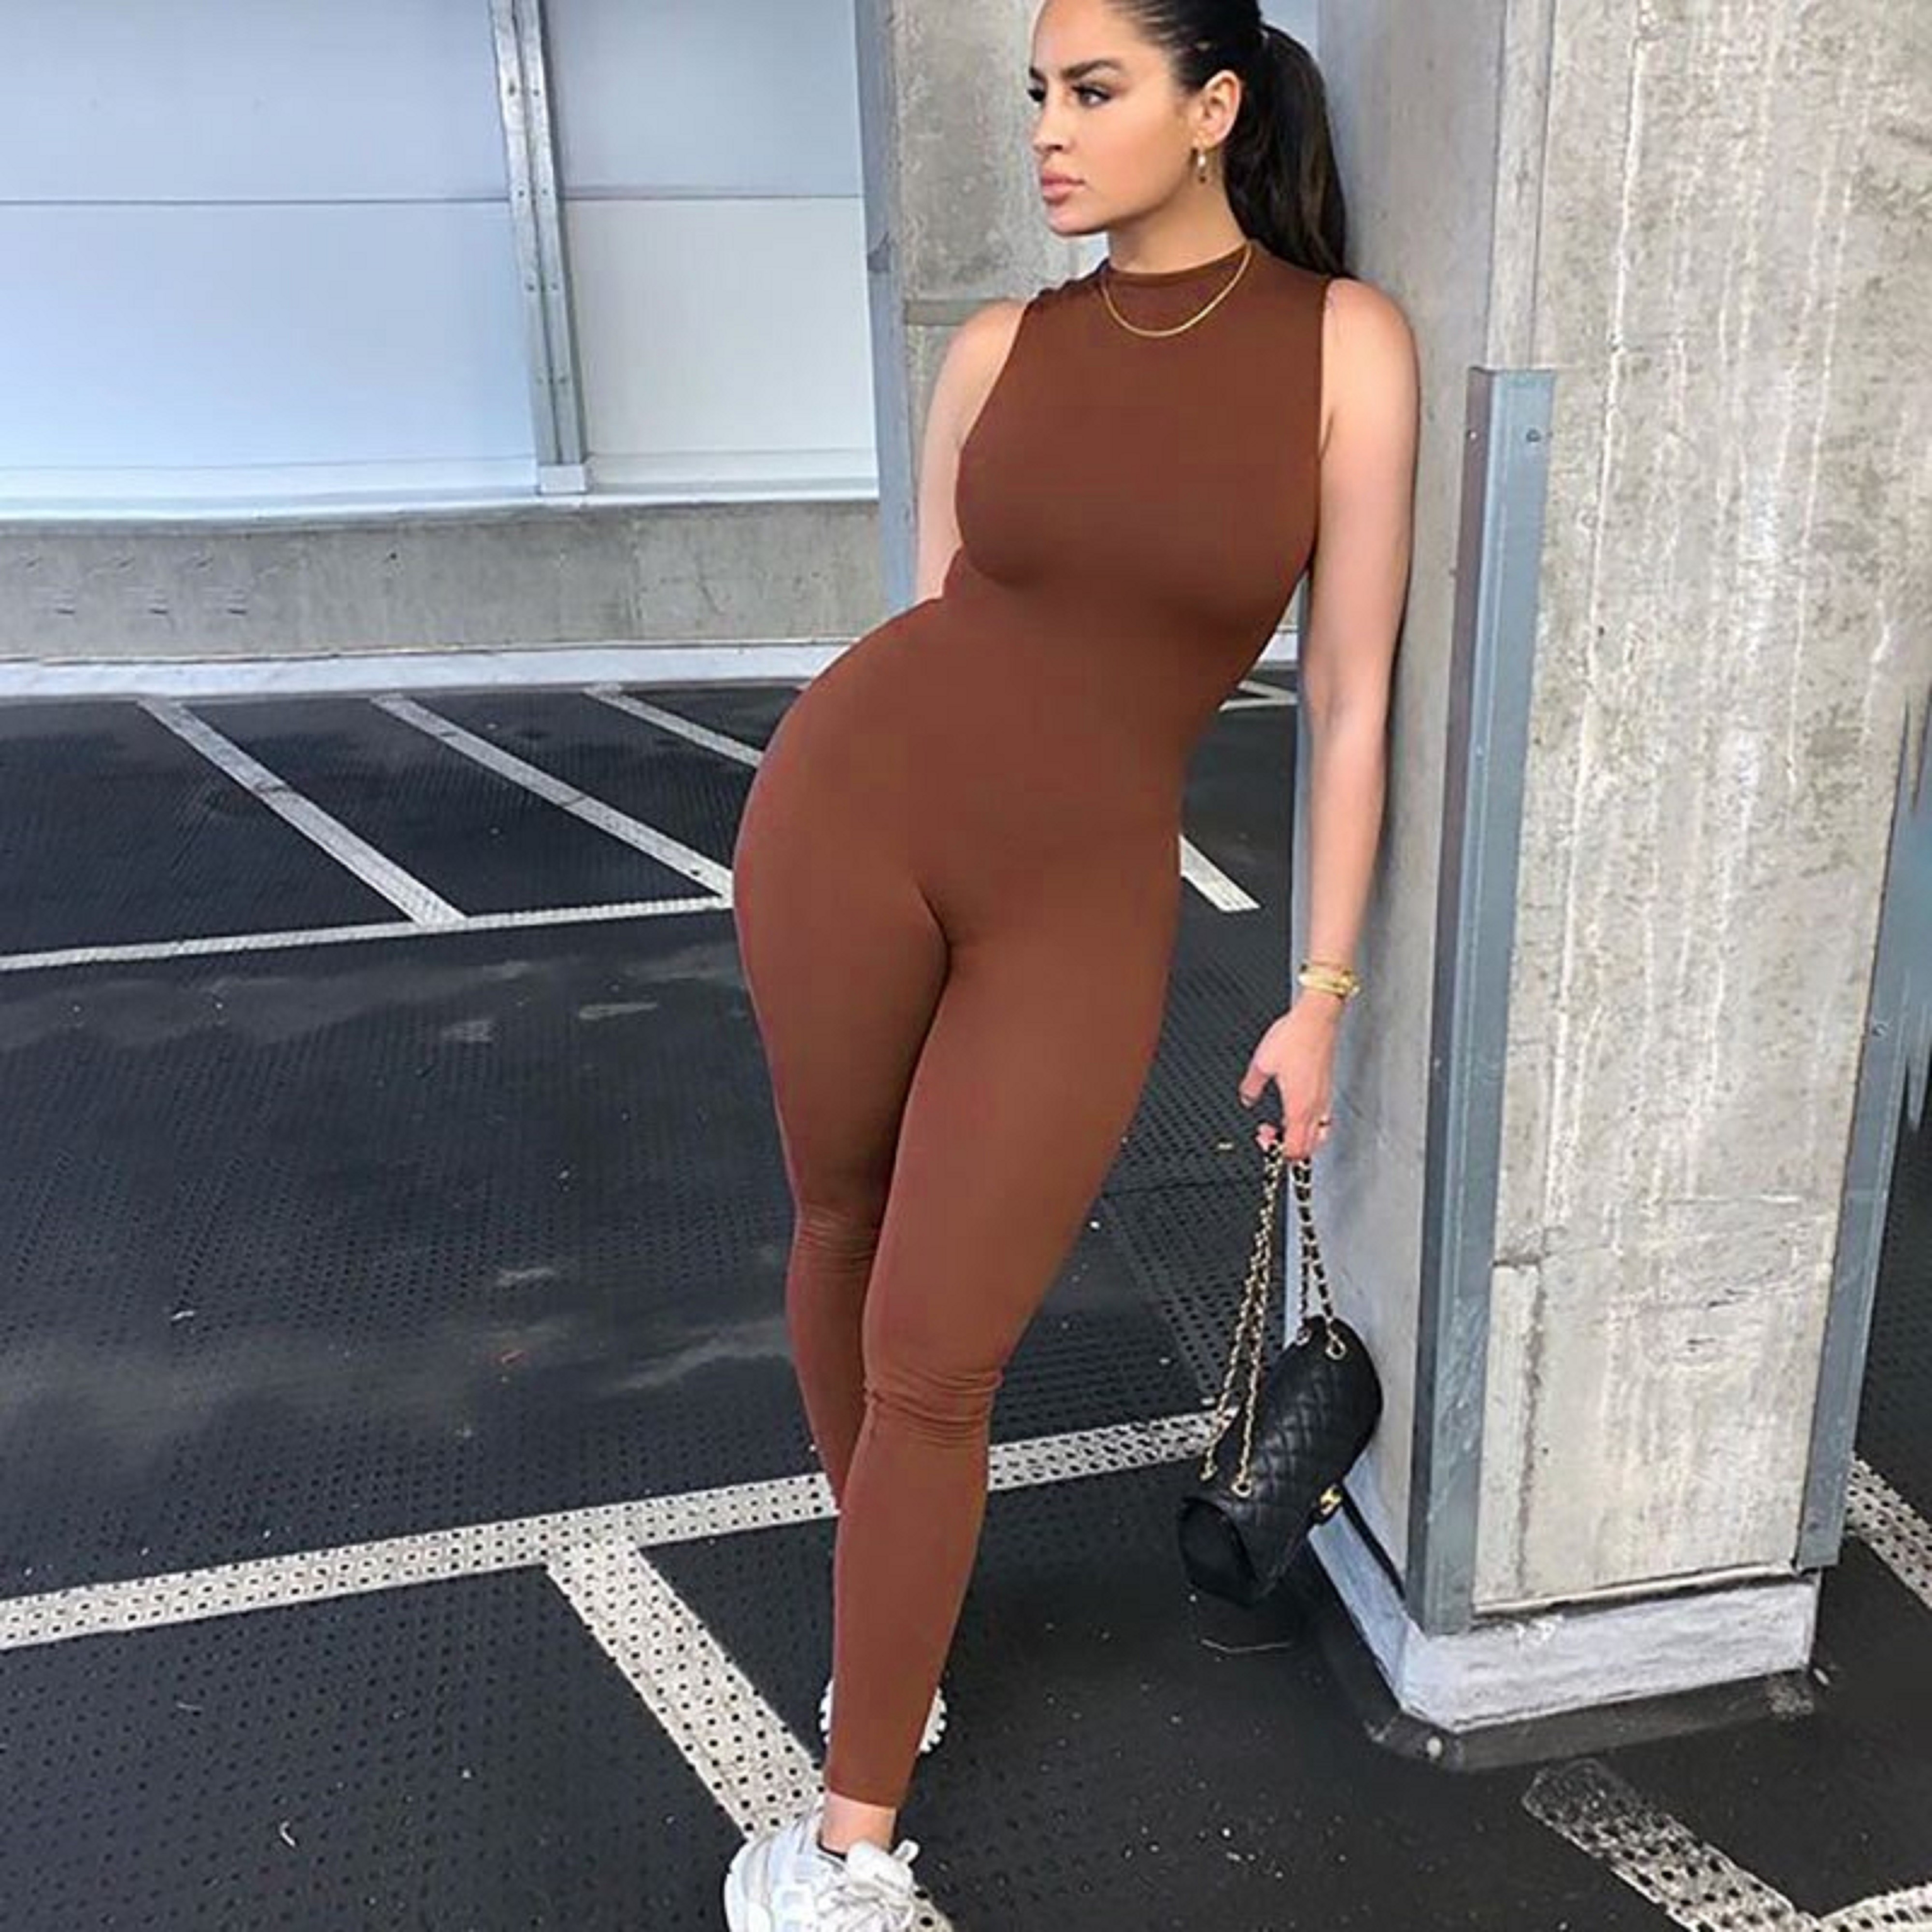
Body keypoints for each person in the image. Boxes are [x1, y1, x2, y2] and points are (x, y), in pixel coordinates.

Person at [723, 0, 1416, 1924]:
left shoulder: (1343, 346)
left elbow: (1350, 699)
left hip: (1081, 900)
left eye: (1092, 89)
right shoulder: (996, 348)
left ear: (1213, 108)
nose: (1048, 127)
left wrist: (1321, 993)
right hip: (849, 818)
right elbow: (942, 621)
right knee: (840, 1222)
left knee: (941, 1350)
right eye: (1036, 91)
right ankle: (890, 1651)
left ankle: (847, 1856)